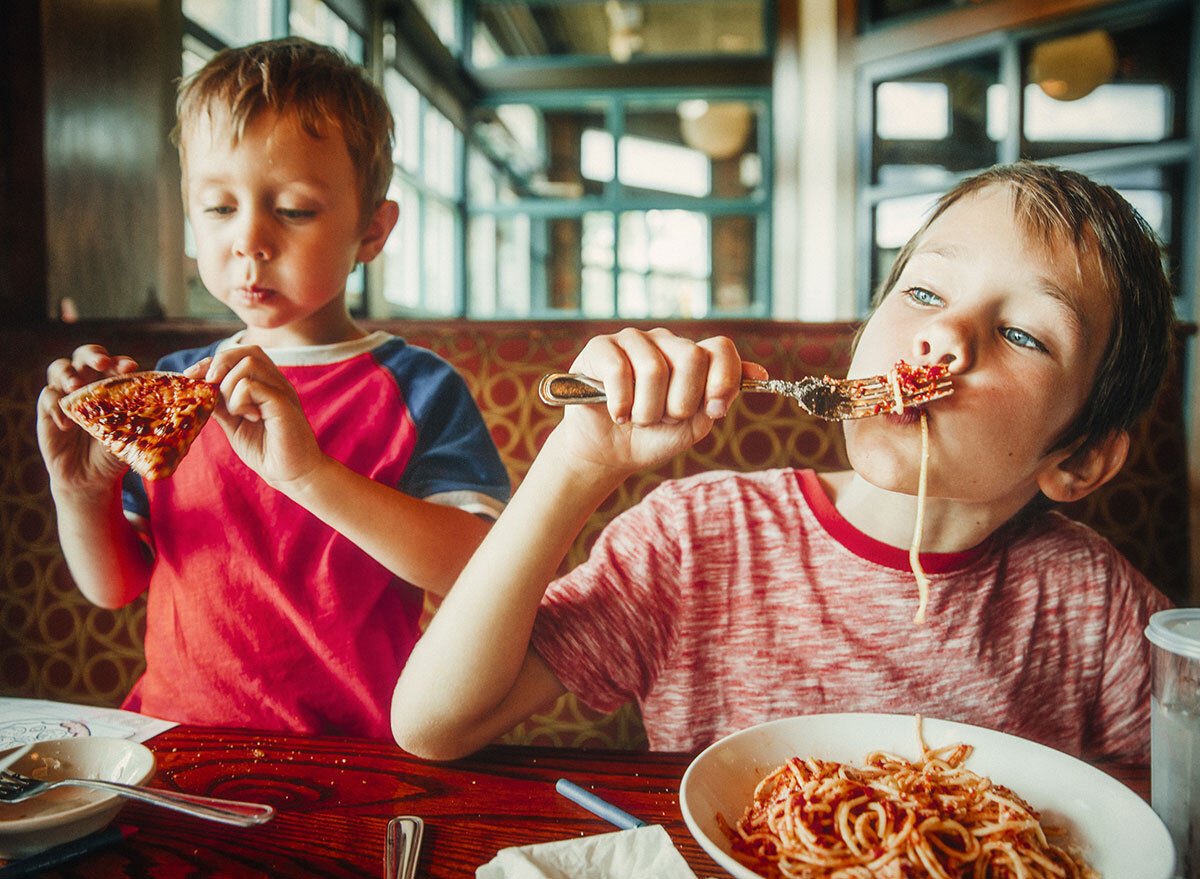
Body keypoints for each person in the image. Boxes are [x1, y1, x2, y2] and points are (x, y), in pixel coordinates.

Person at [391, 161, 1175, 763]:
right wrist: (577, 461)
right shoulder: (698, 538)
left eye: (1023, 333)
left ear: (1079, 459)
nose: (943, 336)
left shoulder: (1094, 605)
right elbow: (434, 722)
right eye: (925, 293)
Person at [36, 38, 510, 738]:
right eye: (218, 208)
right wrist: (80, 492)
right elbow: (115, 587)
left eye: (293, 209)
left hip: (359, 750)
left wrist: (311, 475)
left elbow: (481, 573)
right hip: (173, 737)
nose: (249, 240)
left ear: (371, 230)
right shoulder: (172, 389)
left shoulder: (419, 388)